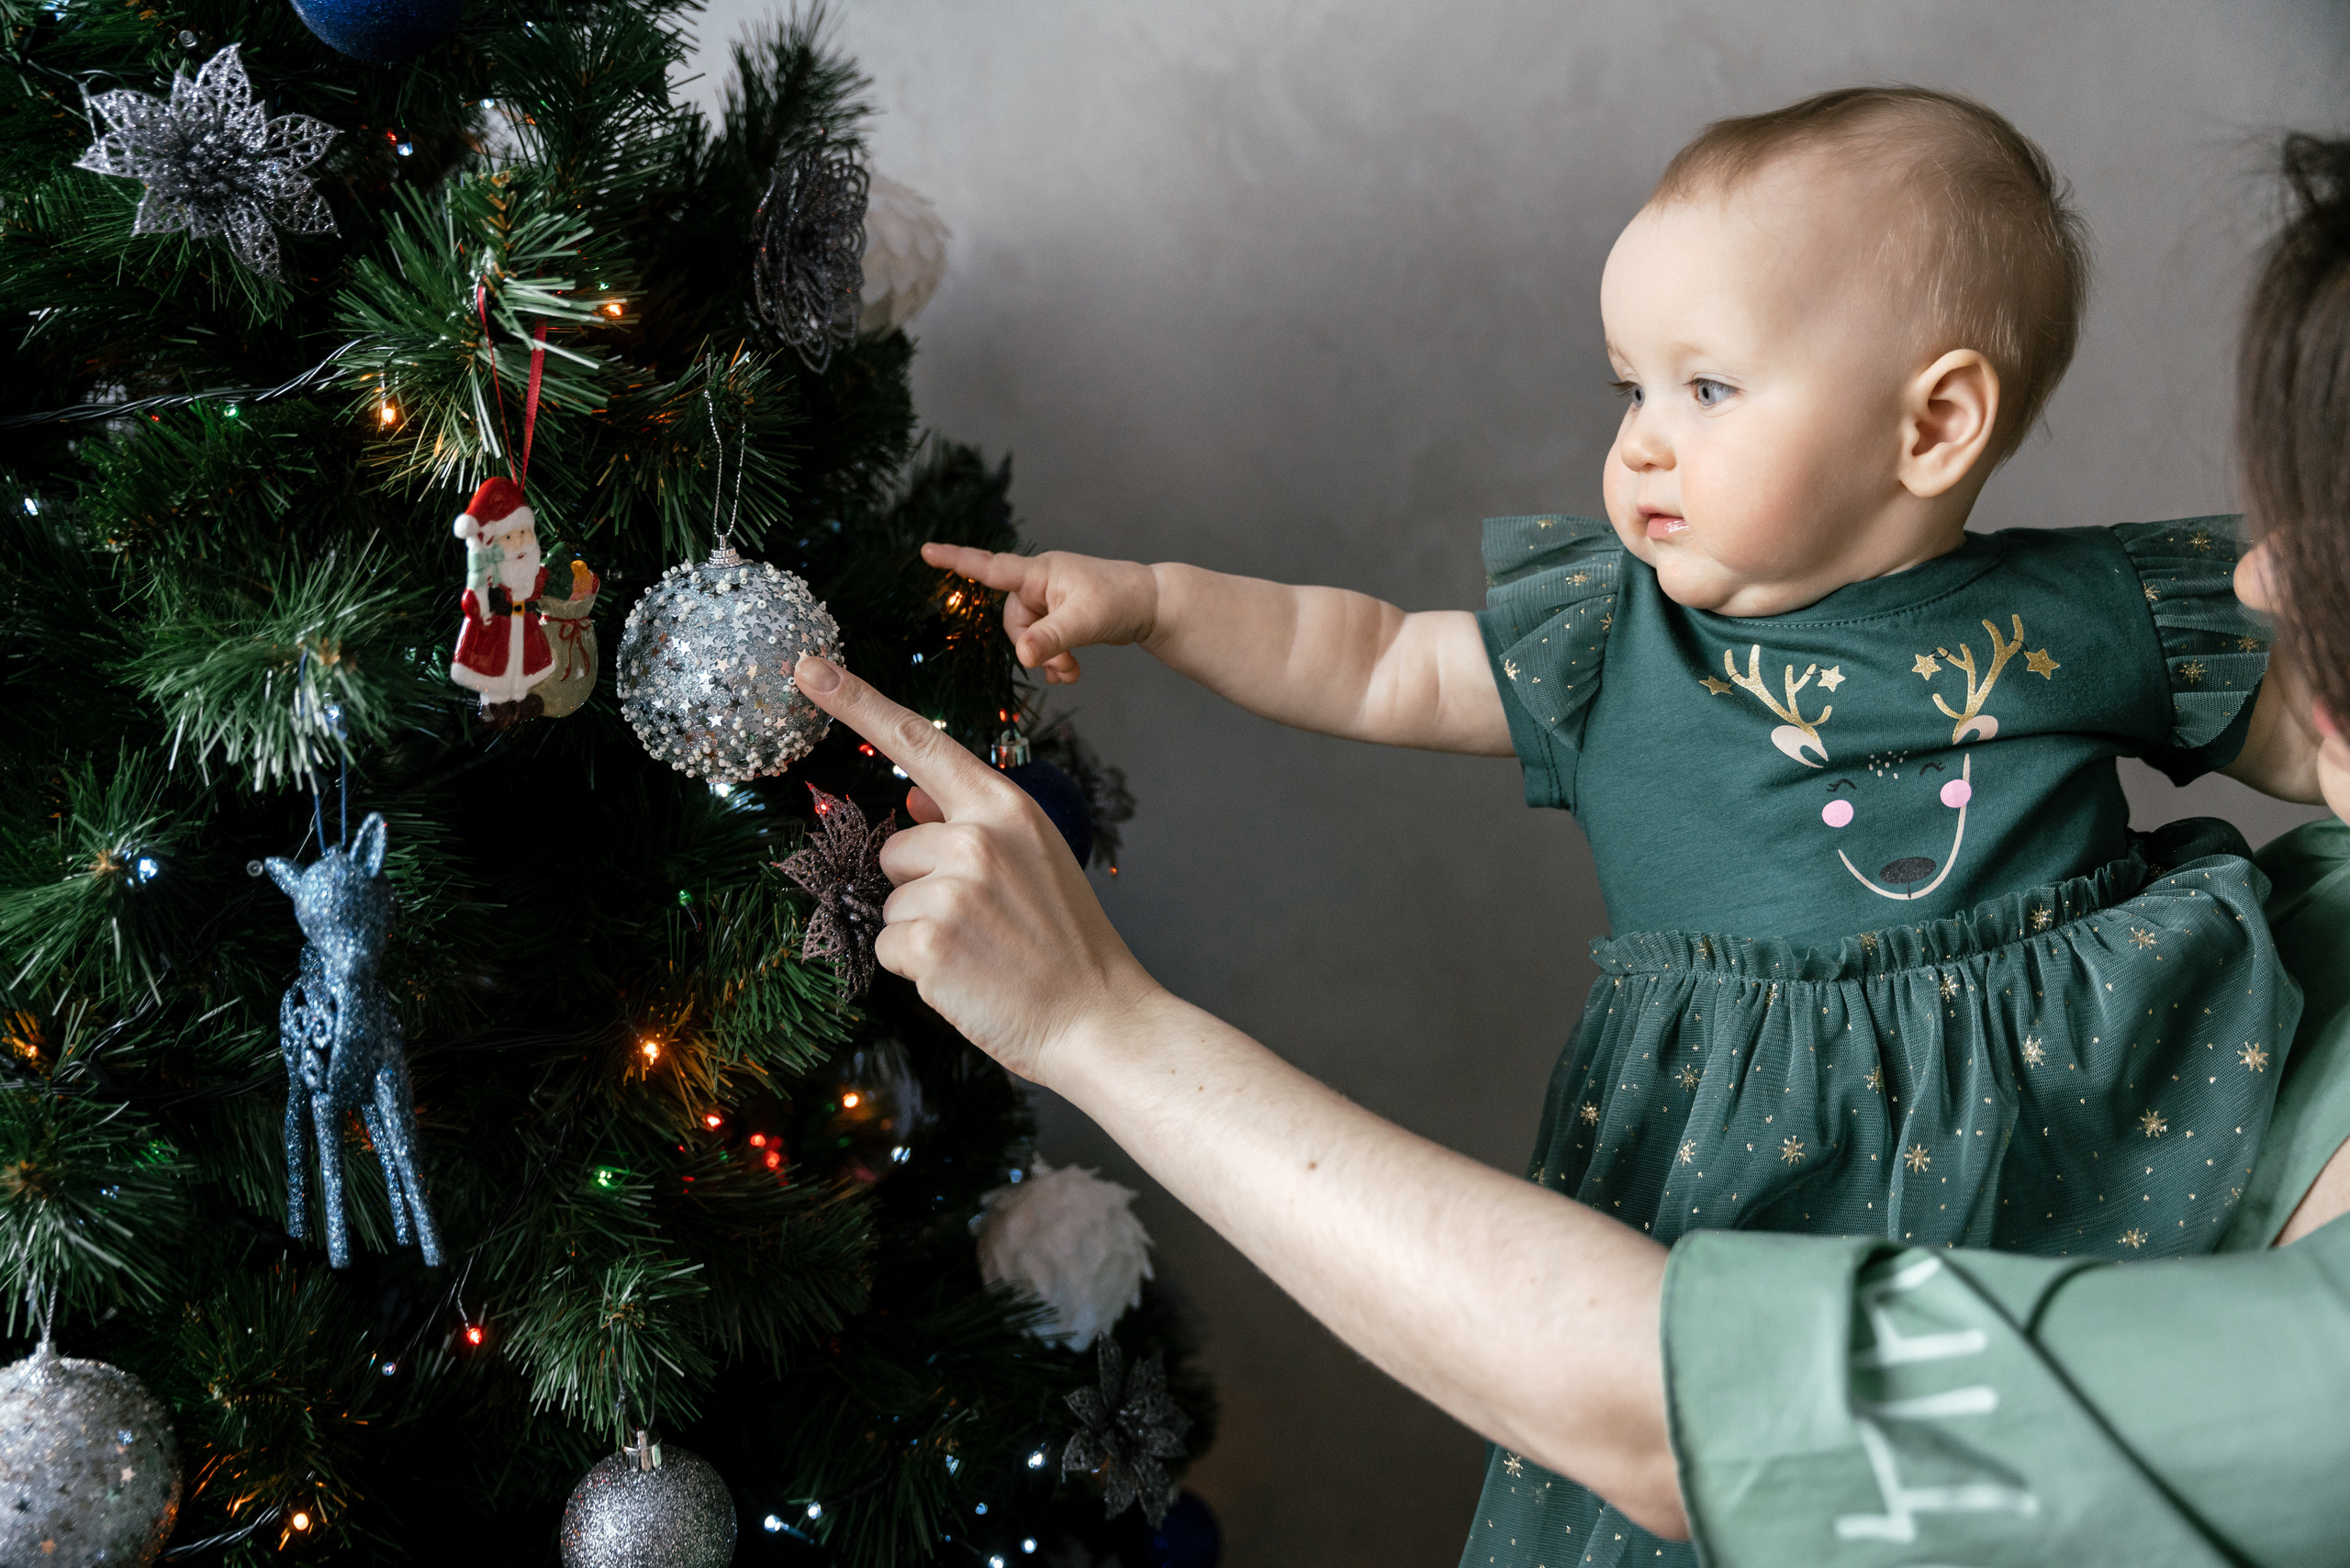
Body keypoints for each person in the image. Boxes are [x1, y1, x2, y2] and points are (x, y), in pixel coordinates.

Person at [780, 128, 2350, 1568]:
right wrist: (1160, 603)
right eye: (1631, 390)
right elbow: (1380, 659)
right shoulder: (1615, 640)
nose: (1643, 447)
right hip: (1753, 1166)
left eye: (1709, 390)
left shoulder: (2092, 610)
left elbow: (2302, 724)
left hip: (2084, 1100)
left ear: (1936, 422)